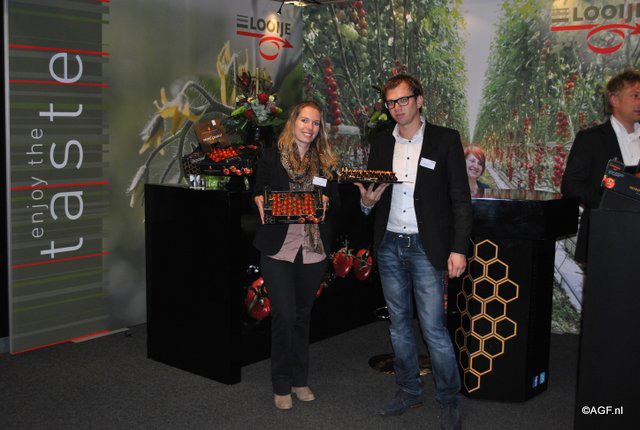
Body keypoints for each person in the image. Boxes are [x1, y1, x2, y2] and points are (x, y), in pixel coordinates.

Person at [355, 74, 472, 430]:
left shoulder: (445, 140)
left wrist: (458, 249)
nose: (397, 108)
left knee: (434, 329)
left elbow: (460, 200)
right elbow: (371, 196)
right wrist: (366, 203)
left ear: (419, 100)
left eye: (403, 100)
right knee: (399, 327)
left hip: (426, 246)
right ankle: (408, 389)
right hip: (389, 243)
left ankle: (449, 399)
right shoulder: (380, 141)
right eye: (391, 102)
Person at [253, 101, 339, 410]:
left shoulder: (326, 162)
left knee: (303, 316)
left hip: (313, 249)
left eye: (315, 123)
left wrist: (327, 200)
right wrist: (259, 198)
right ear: (293, 121)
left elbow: (336, 199)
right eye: (304, 120)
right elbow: (258, 188)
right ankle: (281, 384)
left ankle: (300, 379)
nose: (309, 127)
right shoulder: (271, 156)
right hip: (279, 248)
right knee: (285, 316)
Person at [561, 68, 640, 264]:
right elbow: (570, 186)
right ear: (614, 100)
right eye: (635, 95)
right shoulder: (590, 139)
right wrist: (609, 199)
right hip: (605, 239)